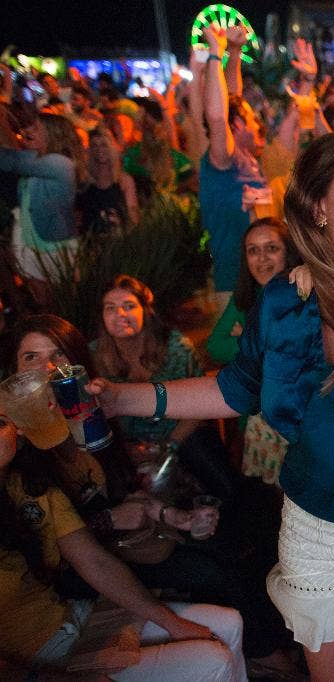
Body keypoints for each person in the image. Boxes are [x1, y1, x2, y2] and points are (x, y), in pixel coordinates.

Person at [88, 108, 334, 680]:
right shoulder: (282, 303)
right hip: (317, 540)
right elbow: (236, 389)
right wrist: (123, 399)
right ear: (322, 207)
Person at [8, 313, 297, 675]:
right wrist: (111, 519)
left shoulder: (87, 419)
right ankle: (269, 657)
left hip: (126, 539)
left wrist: (173, 516)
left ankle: (269, 647)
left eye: (58, 355)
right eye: (31, 357)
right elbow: (47, 544)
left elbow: (124, 492)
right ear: (13, 373)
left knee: (232, 539)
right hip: (80, 570)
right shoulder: (18, 447)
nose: (48, 367)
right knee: (213, 572)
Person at [0, 407, 246, 680]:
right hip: (35, 654)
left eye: (0, 423)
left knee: (229, 623)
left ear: (19, 431)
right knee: (211, 657)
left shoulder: (27, 486)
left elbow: (96, 560)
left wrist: (173, 623)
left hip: (73, 614)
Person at [92, 275, 240, 503]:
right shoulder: (92, 357)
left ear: (145, 311)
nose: (120, 314)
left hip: (181, 433)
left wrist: (170, 444)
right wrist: (130, 449)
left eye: (129, 306)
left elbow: (202, 403)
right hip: (128, 445)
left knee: (226, 488)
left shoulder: (175, 346)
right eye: (110, 308)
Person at [206, 218, 301, 486]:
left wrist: (245, 338)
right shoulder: (245, 297)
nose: (261, 259)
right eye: (253, 250)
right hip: (251, 412)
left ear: (289, 252)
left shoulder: (301, 294)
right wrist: (264, 345)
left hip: (293, 415)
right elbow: (215, 345)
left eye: (272, 248)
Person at [199, 25, 271, 313]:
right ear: (238, 126)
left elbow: (232, 100)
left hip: (260, 280)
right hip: (233, 288)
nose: (258, 125)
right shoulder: (222, 160)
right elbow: (219, 118)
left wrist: (235, 51)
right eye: (252, 120)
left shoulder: (246, 159)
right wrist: (216, 54)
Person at [0, 109, 83, 288]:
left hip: (53, 246)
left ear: (53, 134)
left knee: (55, 300)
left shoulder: (60, 163)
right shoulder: (37, 160)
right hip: (31, 241)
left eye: (36, 128)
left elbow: (9, 160)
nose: (28, 130)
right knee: (37, 297)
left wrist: (3, 125)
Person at [79, 125, 140, 232]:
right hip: (91, 238)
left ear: (112, 147)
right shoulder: (86, 179)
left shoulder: (124, 180)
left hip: (117, 239)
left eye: (104, 145)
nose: (99, 150)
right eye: (94, 145)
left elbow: (133, 216)